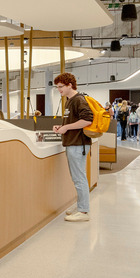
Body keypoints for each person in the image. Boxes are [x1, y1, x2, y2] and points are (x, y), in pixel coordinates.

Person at [51, 72, 93, 223]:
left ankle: (83, 210)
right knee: (77, 177)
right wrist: (62, 127)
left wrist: (66, 127)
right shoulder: (69, 101)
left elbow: (87, 120)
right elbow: (74, 122)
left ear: (70, 85)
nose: (59, 89)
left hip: (78, 144)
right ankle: (81, 206)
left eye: (61, 86)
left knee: (79, 178)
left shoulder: (78, 100)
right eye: (57, 87)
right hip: (73, 143)